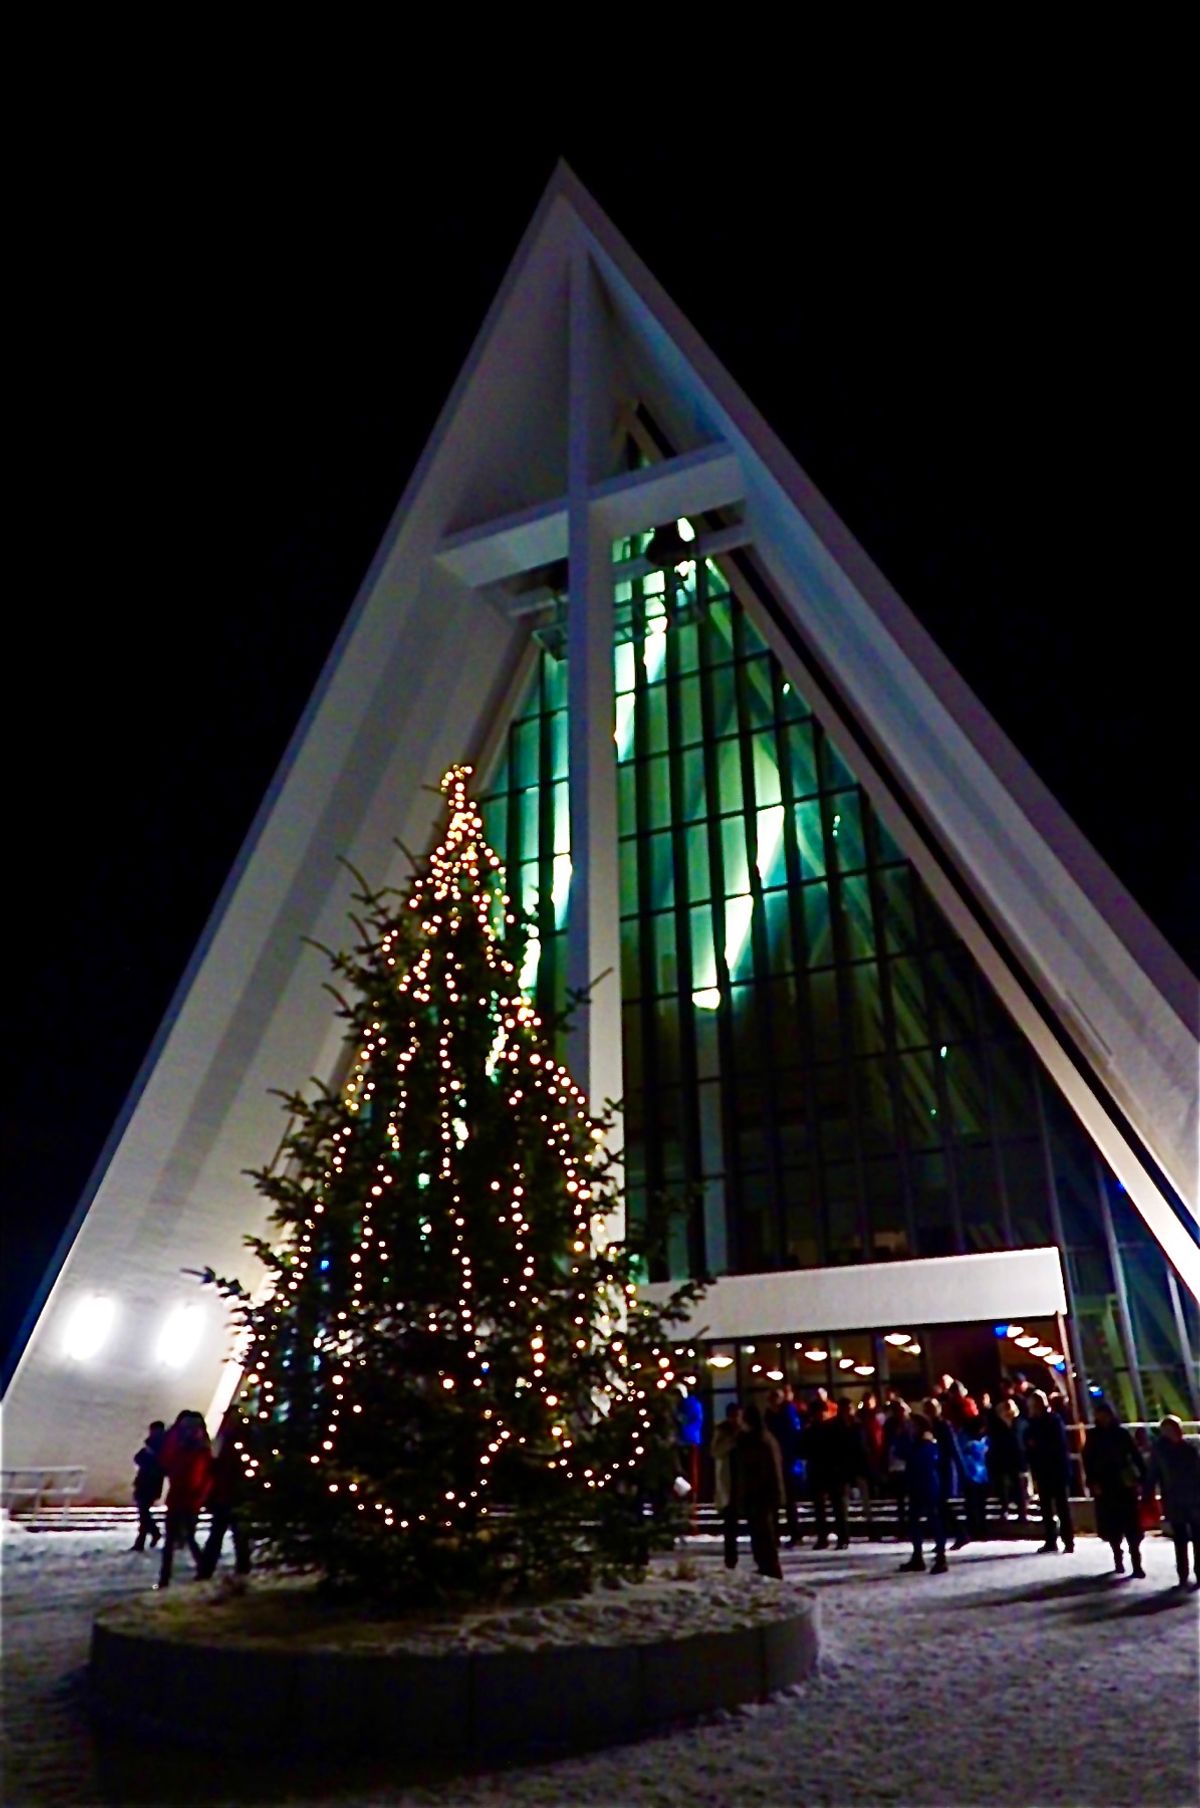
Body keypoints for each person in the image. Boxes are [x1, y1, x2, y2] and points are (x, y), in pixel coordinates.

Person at [1082, 1402, 1146, 1577]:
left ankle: (1135, 1562)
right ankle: (1119, 1556)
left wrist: (1141, 1477)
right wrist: (1092, 1481)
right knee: (1115, 1525)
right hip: (1108, 1484)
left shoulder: (1117, 1434)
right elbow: (1088, 1461)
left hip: (1120, 1484)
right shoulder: (1099, 1435)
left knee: (1129, 1525)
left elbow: (1135, 1455)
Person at [156, 1409, 213, 1589]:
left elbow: (167, 1462)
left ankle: (166, 1577)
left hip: (183, 1496)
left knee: (176, 1538)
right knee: (186, 1536)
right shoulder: (200, 1447)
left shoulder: (182, 1446)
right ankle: (201, 1569)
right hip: (187, 1497)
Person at [198, 1408, 252, 1581]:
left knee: (224, 1534)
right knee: (229, 1535)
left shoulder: (233, 1442)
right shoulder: (231, 1441)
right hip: (229, 1494)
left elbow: (222, 1469)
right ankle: (238, 1566)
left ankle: (208, 1568)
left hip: (231, 1494)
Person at [1146, 1415, 1200, 1588]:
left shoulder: (1188, 1449)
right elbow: (1153, 1474)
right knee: (1181, 1538)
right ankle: (1183, 1573)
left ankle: (1194, 1572)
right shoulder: (1164, 1452)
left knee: (1194, 1537)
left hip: (1191, 1498)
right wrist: (1147, 1494)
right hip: (1177, 1499)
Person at [736, 1404, 784, 1579]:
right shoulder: (759, 1439)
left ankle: (769, 1566)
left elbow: (767, 1470)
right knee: (760, 1532)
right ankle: (766, 1564)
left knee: (763, 1532)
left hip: (761, 1494)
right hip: (760, 1493)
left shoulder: (759, 1441)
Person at [1024, 1389, 1074, 1553]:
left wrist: (1037, 1445)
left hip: (1055, 1469)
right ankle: (1052, 1539)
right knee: (1047, 1507)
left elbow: (1057, 1445)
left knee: (1061, 1507)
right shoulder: (1035, 1423)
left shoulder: (1053, 1420)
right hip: (1044, 1469)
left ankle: (1067, 1540)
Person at [898, 1411, 947, 1573]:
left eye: (911, 1425)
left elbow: (917, 1460)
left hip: (927, 1485)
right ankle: (918, 1557)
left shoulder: (927, 1443)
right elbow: (899, 1452)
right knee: (914, 1522)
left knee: (933, 1521)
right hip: (917, 1485)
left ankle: (941, 1558)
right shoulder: (916, 1442)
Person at [805, 1398, 850, 1550]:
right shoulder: (821, 1428)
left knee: (831, 1507)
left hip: (828, 1471)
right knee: (828, 1507)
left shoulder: (826, 1428)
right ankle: (834, 1537)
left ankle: (836, 1537)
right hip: (826, 1472)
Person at [924, 1397, 969, 1550]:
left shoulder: (943, 1425)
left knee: (942, 1505)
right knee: (940, 1506)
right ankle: (947, 1537)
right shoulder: (929, 1426)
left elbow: (953, 1448)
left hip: (944, 1469)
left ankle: (960, 1533)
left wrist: (961, 1469)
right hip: (936, 1469)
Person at [764, 1385, 803, 1546]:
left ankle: (791, 1533)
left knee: (786, 1500)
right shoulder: (775, 1416)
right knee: (781, 1500)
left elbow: (790, 1438)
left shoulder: (783, 1415)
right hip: (779, 1462)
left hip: (784, 1461)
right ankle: (781, 1534)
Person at [711, 1402, 743, 1570]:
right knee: (730, 1523)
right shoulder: (723, 1432)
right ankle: (731, 1558)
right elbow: (715, 1451)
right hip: (729, 1481)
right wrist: (731, 1442)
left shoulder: (746, 1432)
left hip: (743, 1481)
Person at [985, 1396, 1025, 1524]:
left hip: (1015, 1456)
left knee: (1017, 1485)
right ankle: (1005, 1509)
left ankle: (1021, 1511)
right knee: (1002, 1485)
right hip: (1001, 1456)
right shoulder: (996, 1424)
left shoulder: (1018, 1422)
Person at [130, 1420, 165, 1551]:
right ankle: (153, 1533)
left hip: (150, 1483)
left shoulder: (160, 1447)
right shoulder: (152, 1445)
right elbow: (138, 1458)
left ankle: (142, 1541)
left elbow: (144, 1460)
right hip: (144, 1482)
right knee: (143, 1513)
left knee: (143, 1513)